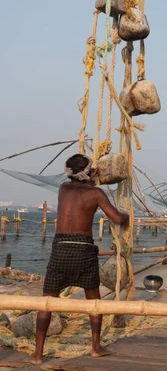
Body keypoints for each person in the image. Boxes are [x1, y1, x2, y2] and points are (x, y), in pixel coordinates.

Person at [31, 154, 130, 364]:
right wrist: (127, 216)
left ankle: (38, 354)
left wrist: (90, 174)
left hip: (60, 249)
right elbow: (117, 218)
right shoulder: (96, 193)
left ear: (69, 172)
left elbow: (77, 186)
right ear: (90, 171)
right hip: (83, 250)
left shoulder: (62, 189)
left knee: (47, 302)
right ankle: (95, 347)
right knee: (94, 301)